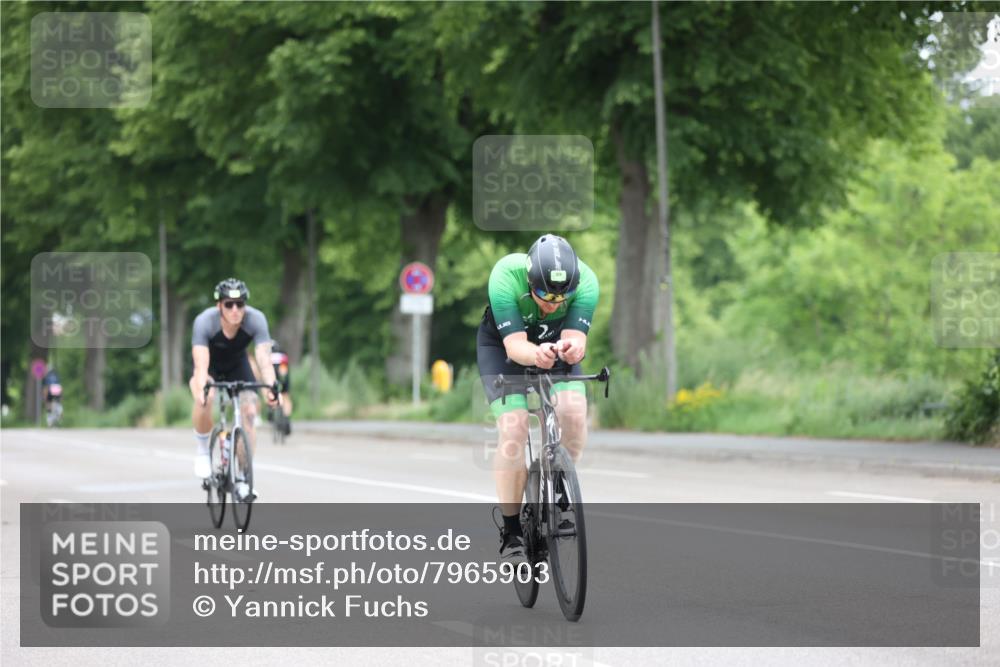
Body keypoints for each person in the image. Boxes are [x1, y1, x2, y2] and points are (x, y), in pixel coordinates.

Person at [476, 234, 599, 563]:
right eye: (544, 293)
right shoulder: (505, 276)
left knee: (573, 413)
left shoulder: (586, 281)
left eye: (563, 296)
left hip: (554, 348)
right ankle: (512, 529)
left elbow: (576, 338)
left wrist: (572, 347)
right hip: (503, 349)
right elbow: (515, 346)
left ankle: (558, 483)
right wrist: (536, 354)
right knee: (514, 429)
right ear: (530, 280)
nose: (553, 303)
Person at [189, 278, 279, 501]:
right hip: (210, 366)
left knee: (249, 412)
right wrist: (202, 387)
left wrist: (271, 386)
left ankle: (242, 478)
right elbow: (201, 364)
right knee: (206, 397)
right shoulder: (205, 322)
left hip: (238, 366)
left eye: (240, 304)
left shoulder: (256, 320)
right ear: (219, 305)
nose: (235, 310)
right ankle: (202, 450)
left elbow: (263, 358)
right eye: (229, 304)